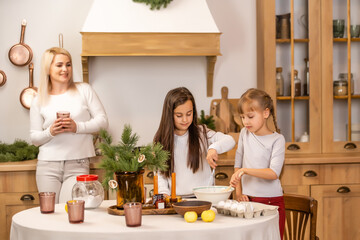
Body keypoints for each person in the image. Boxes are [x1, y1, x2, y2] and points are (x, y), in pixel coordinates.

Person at [30, 47, 108, 203]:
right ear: (48, 69)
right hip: (47, 165)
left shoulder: (84, 90)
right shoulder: (38, 99)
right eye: (59, 65)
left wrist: (76, 127)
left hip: (77, 163)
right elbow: (34, 138)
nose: (65, 69)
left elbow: (103, 122)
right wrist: (50, 132)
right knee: (50, 214)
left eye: (68, 64)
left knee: (70, 210)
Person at [154, 87, 235, 197]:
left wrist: (214, 148)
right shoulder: (161, 140)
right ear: (169, 115)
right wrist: (164, 194)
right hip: (177, 200)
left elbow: (230, 140)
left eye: (189, 114)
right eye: (179, 115)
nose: (185, 120)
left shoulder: (202, 133)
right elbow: (161, 174)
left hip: (205, 198)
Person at [230, 88, 285, 239]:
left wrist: (245, 171)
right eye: (242, 117)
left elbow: (274, 173)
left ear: (265, 113)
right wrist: (239, 193)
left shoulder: (277, 140)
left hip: (271, 201)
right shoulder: (244, 134)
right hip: (247, 200)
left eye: (250, 116)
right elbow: (237, 164)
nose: (245, 122)